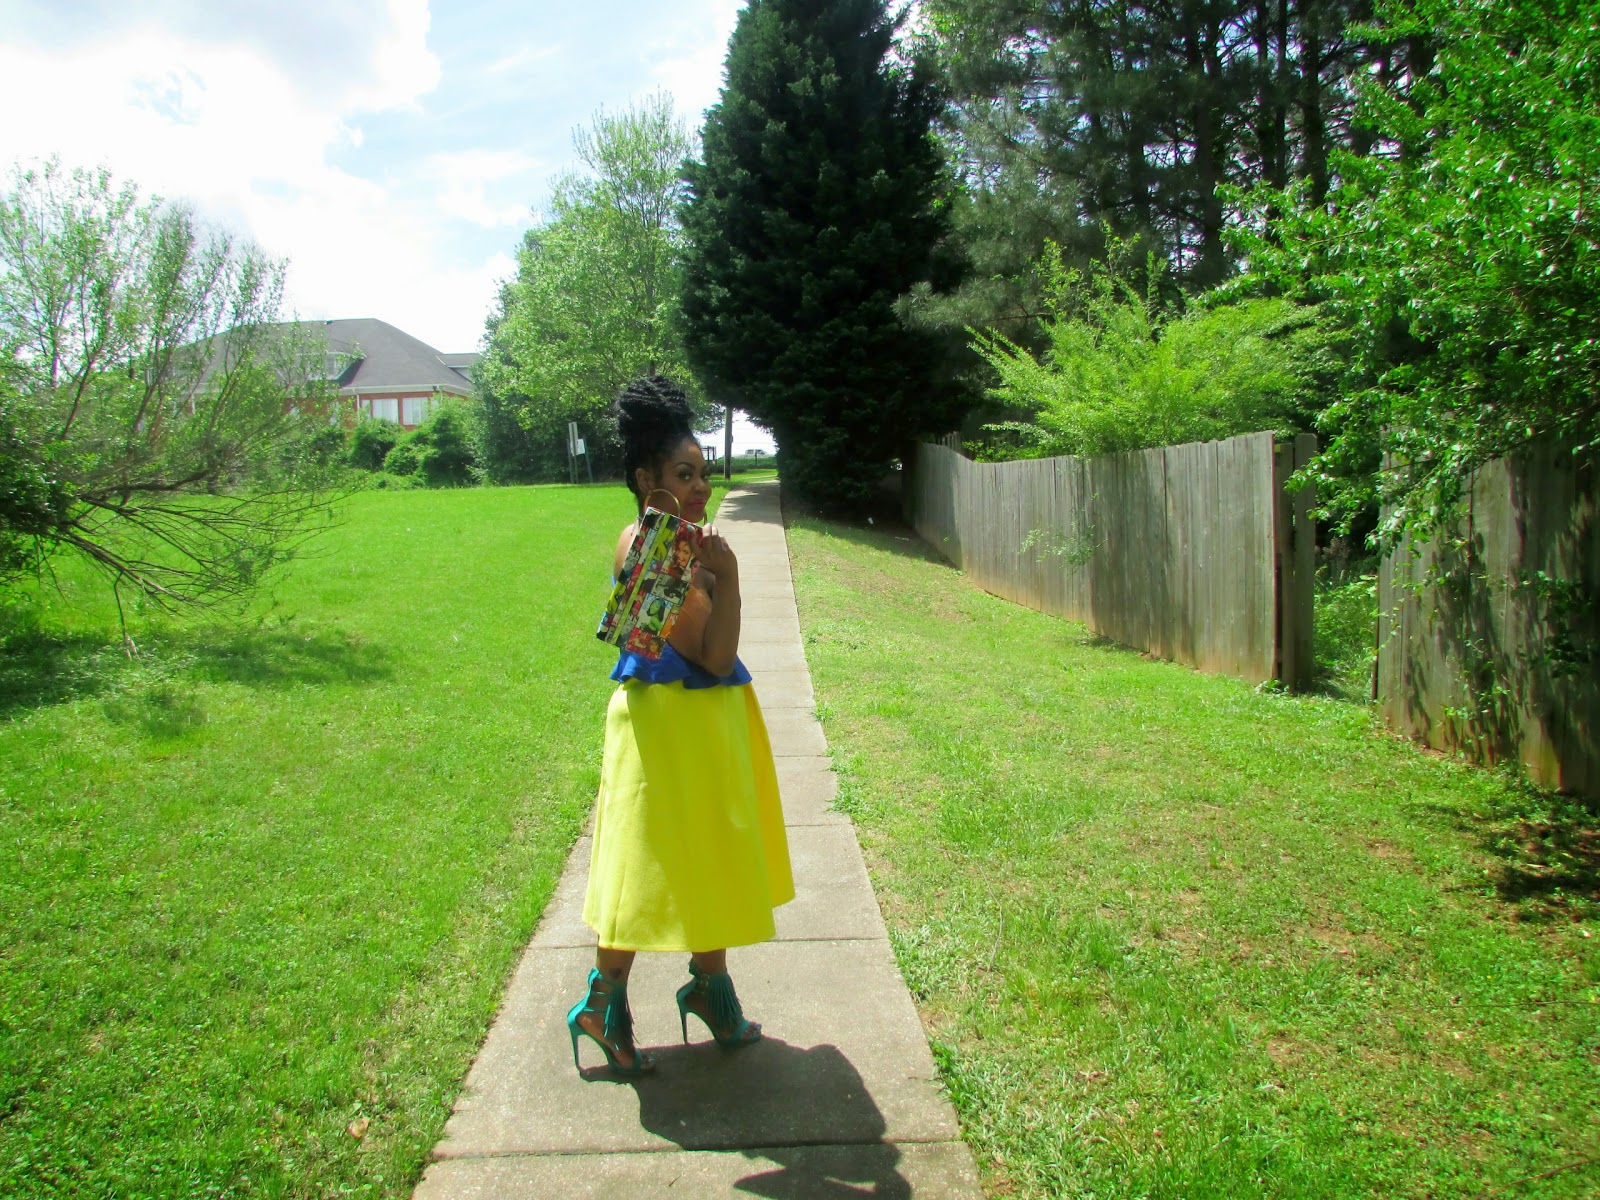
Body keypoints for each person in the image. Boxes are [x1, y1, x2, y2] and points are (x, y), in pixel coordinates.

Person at [567, 376, 794, 1077]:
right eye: (684, 474)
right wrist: (729, 576)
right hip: (668, 732)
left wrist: (716, 572)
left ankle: (709, 991)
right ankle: (604, 1006)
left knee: (708, 858)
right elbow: (714, 656)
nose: (701, 486)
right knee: (645, 865)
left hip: (699, 726)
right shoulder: (654, 545)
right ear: (648, 480)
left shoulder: (680, 543)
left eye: (702, 472)